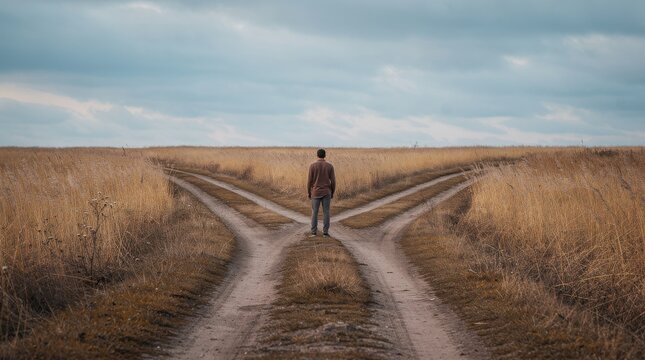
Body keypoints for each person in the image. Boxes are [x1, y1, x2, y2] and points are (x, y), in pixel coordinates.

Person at [307, 148, 336, 237]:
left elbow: (309, 181)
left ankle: (313, 232)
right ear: (325, 155)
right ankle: (325, 233)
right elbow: (333, 181)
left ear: (317, 155)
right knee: (326, 212)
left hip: (315, 192)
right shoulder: (329, 166)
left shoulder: (312, 166)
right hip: (327, 192)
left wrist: (309, 192)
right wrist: (332, 192)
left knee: (314, 212)